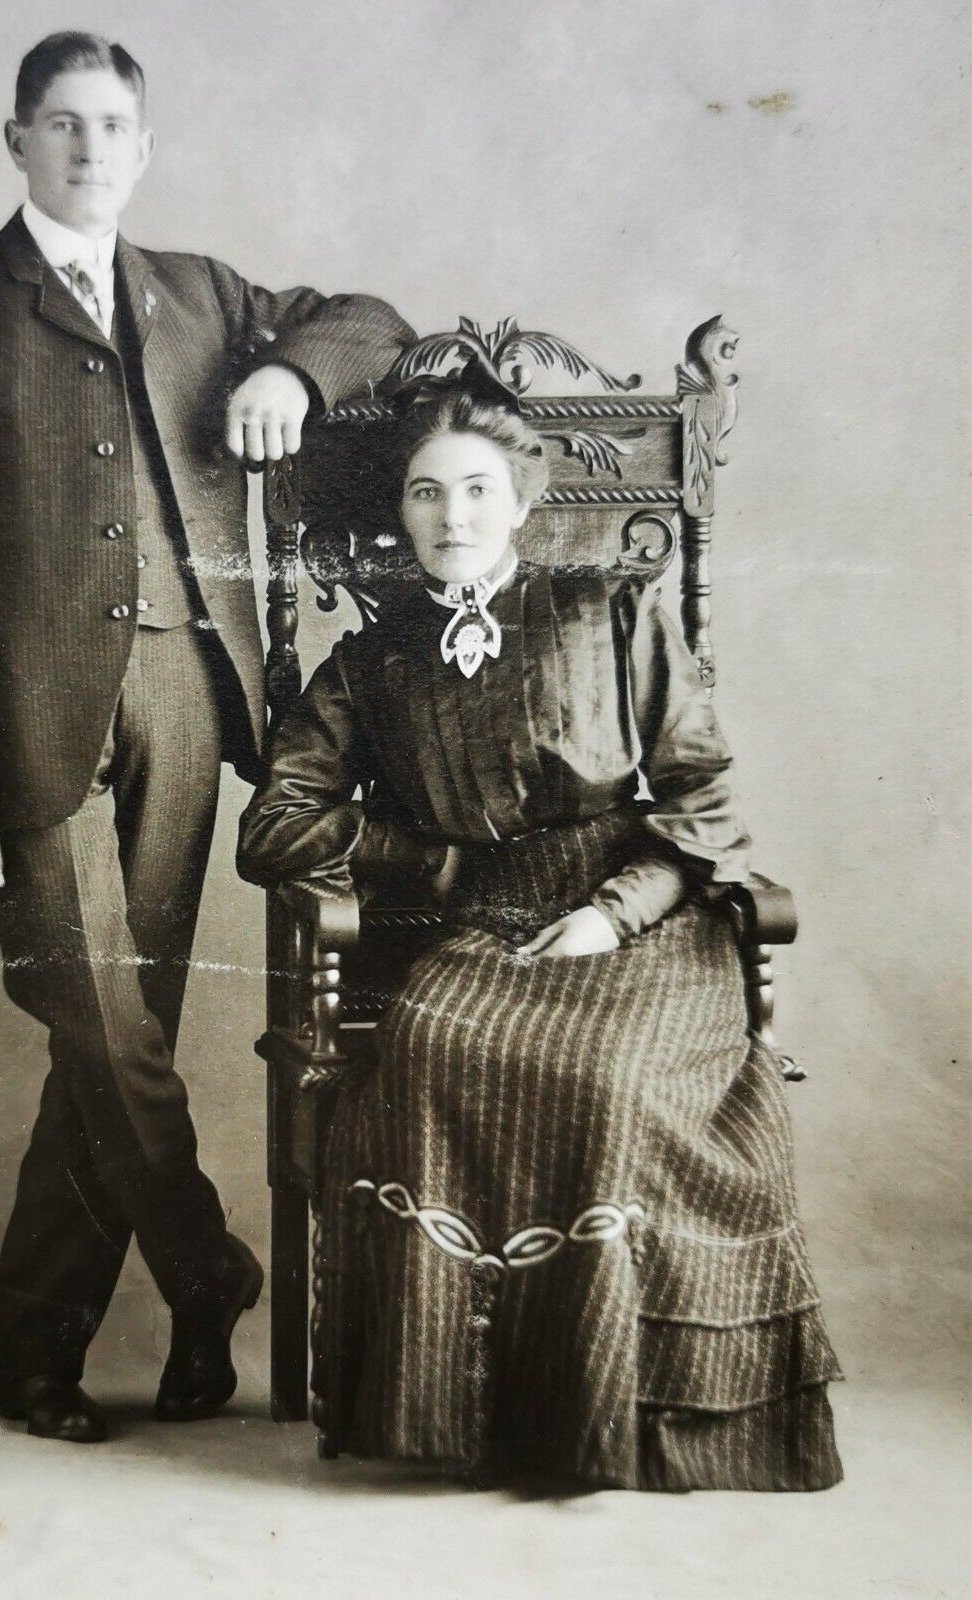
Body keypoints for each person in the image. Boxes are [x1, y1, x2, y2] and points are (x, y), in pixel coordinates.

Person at [0, 31, 411, 1444]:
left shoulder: (205, 297)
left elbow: (372, 319)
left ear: (143, 147)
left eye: (112, 127)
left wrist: (288, 373)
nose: (89, 151)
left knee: (115, 1039)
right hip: (22, 738)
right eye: (61, 126)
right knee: (103, 1029)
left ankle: (37, 1360)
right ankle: (206, 1269)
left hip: (183, 701)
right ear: (15, 141)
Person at [236, 380, 844, 1489]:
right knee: (429, 1041)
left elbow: (702, 793)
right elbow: (275, 822)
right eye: (426, 493)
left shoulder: (609, 606)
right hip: (485, 918)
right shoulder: (370, 663)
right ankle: (463, 1413)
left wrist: (613, 916)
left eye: (476, 489)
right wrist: (439, 864)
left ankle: (602, 1413)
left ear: (520, 502)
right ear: (401, 513)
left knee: (606, 1076)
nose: (451, 515)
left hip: (644, 914)